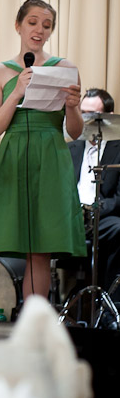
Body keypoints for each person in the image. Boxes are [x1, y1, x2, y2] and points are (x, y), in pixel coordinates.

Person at [0, 0, 86, 315]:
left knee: (39, 252)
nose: (39, 30)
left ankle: (30, 334)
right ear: (18, 25)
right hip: (11, 160)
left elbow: (75, 132)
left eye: (46, 25)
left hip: (50, 159)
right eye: (33, 22)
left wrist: (73, 106)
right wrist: (17, 92)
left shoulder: (65, 69)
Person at [69, 88, 120, 289]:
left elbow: (118, 198)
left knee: (119, 228)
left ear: (108, 118)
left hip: (101, 218)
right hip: (70, 219)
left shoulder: (118, 149)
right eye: (83, 114)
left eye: (93, 115)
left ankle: (110, 302)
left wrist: (94, 209)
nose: (86, 120)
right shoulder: (69, 148)